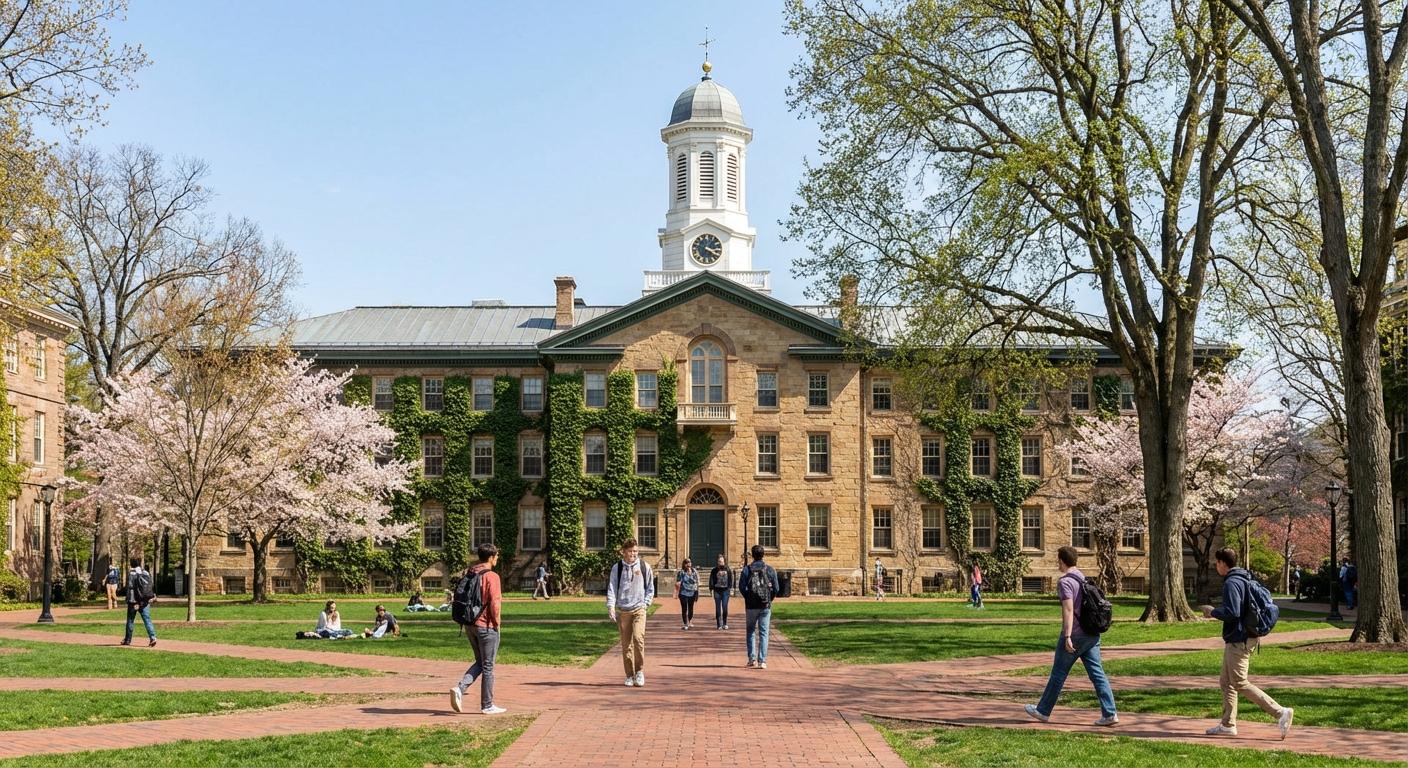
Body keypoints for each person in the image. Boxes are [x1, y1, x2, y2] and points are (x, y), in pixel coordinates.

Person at [1201, 548, 1294, 739]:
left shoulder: (1232, 583)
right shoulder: (1243, 578)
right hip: (1241, 637)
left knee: (1239, 682)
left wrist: (1213, 612)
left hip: (1239, 639)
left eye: (1216, 563)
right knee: (1226, 682)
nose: (1215, 566)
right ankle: (1227, 724)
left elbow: (1233, 613)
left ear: (1223, 563)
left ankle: (1280, 712)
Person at [1024, 546, 1118, 726]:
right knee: (1098, 674)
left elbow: (1068, 610)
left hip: (1074, 635)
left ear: (1061, 561)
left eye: (1058, 560)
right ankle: (1110, 713)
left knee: (1058, 673)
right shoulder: (1083, 578)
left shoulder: (1065, 582)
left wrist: (1067, 636)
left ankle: (1043, 711)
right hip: (1091, 634)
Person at [450, 543, 507, 715]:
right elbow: (495, 604)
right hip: (486, 626)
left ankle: (460, 688)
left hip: (470, 624)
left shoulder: (471, 572)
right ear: (491, 557)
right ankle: (487, 705)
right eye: (496, 556)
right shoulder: (492, 576)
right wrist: (497, 624)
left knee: (481, 663)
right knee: (488, 666)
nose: (497, 558)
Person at [606, 538, 654, 687]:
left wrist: (646, 604)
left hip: (639, 609)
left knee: (638, 639)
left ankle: (639, 672)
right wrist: (611, 606)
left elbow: (650, 588)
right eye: (630, 551)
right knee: (626, 645)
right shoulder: (617, 568)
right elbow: (612, 588)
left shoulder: (644, 566)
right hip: (623, 610)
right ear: (624, 552)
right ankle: (629, 675)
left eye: (635, 551)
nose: (633, 554)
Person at [739, 544, 780, 670]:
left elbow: (741, 587)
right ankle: (762, 660)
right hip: (765, 605)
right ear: (763, 555)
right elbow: (776, 588)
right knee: (764, 633)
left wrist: (748, 597)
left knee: (751, 631)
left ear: (752, 555)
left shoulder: (747, 569)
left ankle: (752, 659)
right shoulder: (770, 569)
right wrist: (769, 599)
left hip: (751, 605)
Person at [121, 557, 157, 647]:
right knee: (147, 619)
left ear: (131, 564)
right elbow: (150, 586)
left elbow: (130, 587)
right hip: (145, 601)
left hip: (133, 601)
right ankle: (152, 637)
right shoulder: (145, 572)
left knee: (130, 620)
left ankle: (128, 640)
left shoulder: (131, 574)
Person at [709, 554, 733, 630]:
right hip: (717, 591)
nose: (720, 563)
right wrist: (711, 588)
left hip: (725, 591)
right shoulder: (714, 570)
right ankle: (719, 624)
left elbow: (730, 579)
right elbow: (711, 580)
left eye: (722, 561)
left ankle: (725, 623)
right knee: (718, 608)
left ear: (724, 562)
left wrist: (730, 588)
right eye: (719, 561)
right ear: (717, 562)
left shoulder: (728, 570)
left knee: (725, 607)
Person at [675, 558, 699, 630]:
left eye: (689, 562)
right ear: (684, 564)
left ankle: (690, 621)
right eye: (686, 563)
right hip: (683, 593)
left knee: (691, 608)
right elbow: (678, 581)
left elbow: (697, 581)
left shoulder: (694, 572)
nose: (688, 564)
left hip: (692, 592)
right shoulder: (681, 572)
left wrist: (697, 592)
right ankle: (685, 624)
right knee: (684, 609)